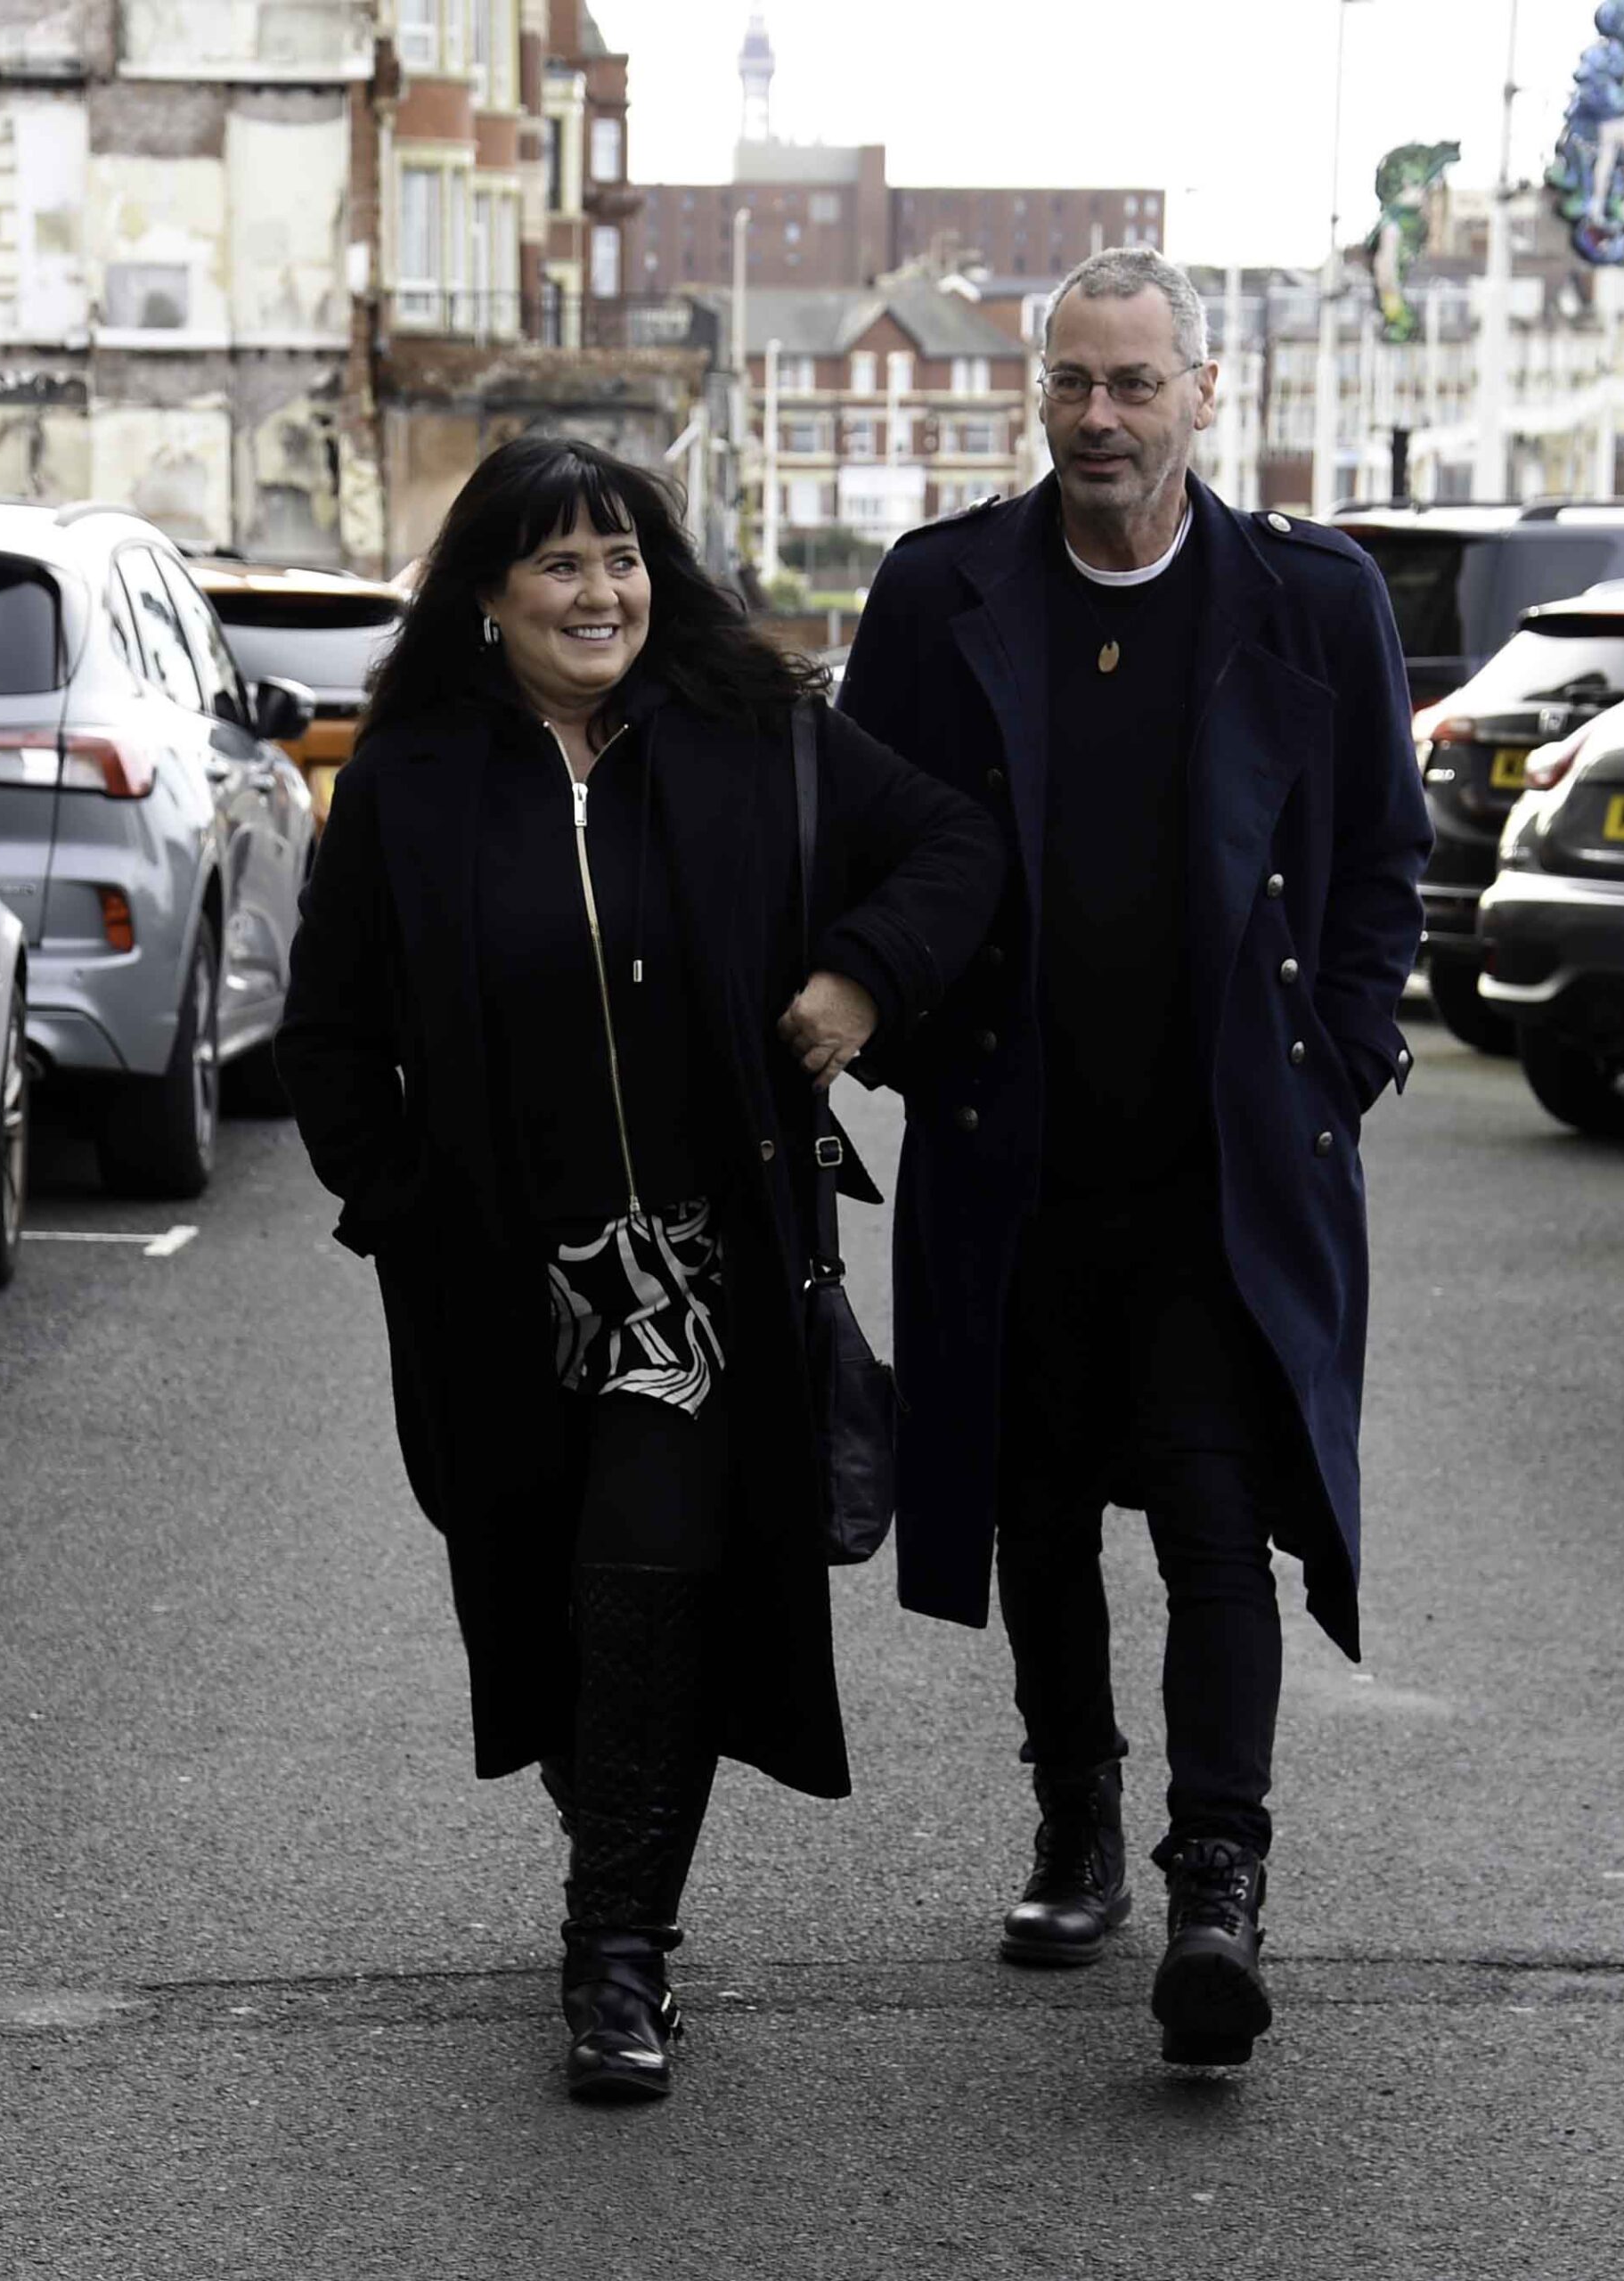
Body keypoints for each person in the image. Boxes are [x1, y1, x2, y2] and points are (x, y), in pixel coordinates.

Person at [275, 435, 1003, 2103]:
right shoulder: (410, 778)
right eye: (558, 565)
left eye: (621, 557)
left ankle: (614, 1956)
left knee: (645, 1583)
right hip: (495, 1274)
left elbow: (953, 847)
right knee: (548, 1605)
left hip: (697, 1261)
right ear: (486, 596)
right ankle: (621, 1862)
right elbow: (328, 1036)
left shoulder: (757, 738)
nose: (598, 592)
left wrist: (858, 983)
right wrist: (401, 1207)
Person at [838, 246, 1430, 2068]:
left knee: (1210, 1517)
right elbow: (863, 843)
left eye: (1135, 385)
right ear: (1042, 395)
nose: (1101, 418)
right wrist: (914, 1044)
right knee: (1032, 1511)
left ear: (1202, 396)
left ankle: (1217, 1879)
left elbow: (1382, 862)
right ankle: (1075, 1818)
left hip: (1218, 1173)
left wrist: (1337, 1054)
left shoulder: (1308, 598)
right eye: (1074, 384)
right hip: (1012, 1152)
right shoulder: (943, 592)